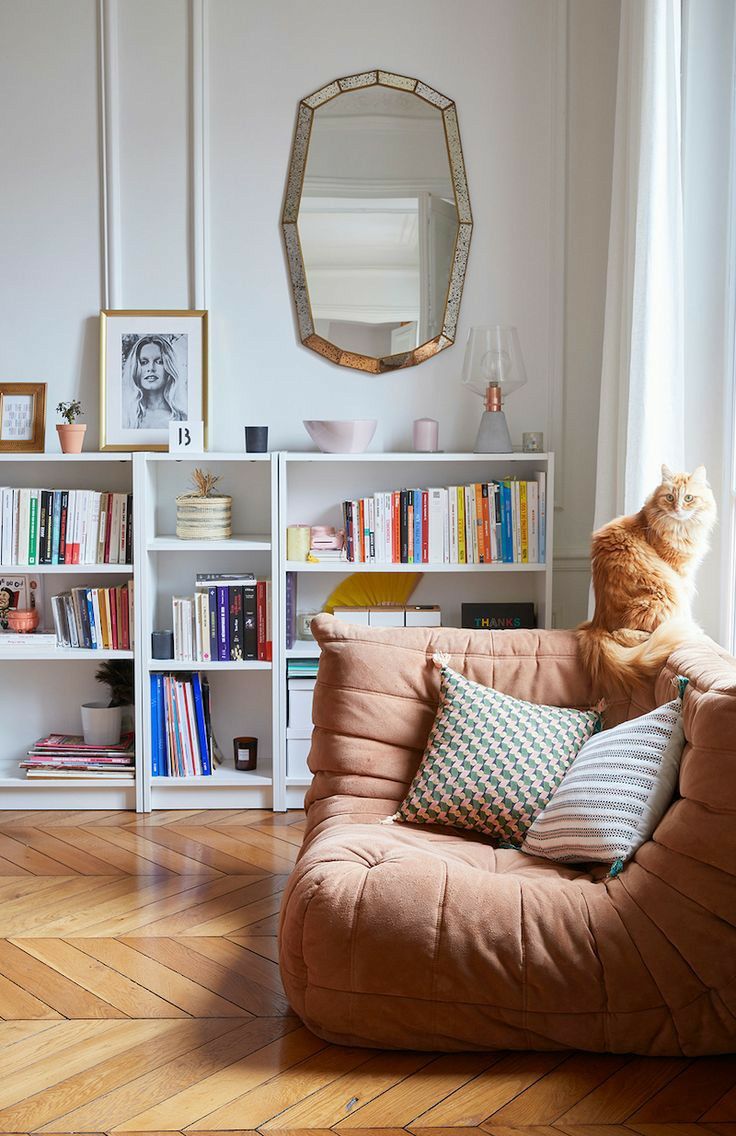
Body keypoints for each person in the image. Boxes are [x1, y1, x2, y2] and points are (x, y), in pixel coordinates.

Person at [124, 335, 186, 428]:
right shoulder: (125, 418)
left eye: (159, 361)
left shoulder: (183, 419)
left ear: (169, 368)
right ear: (134, 368)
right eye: (144, 362)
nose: (151, 368)